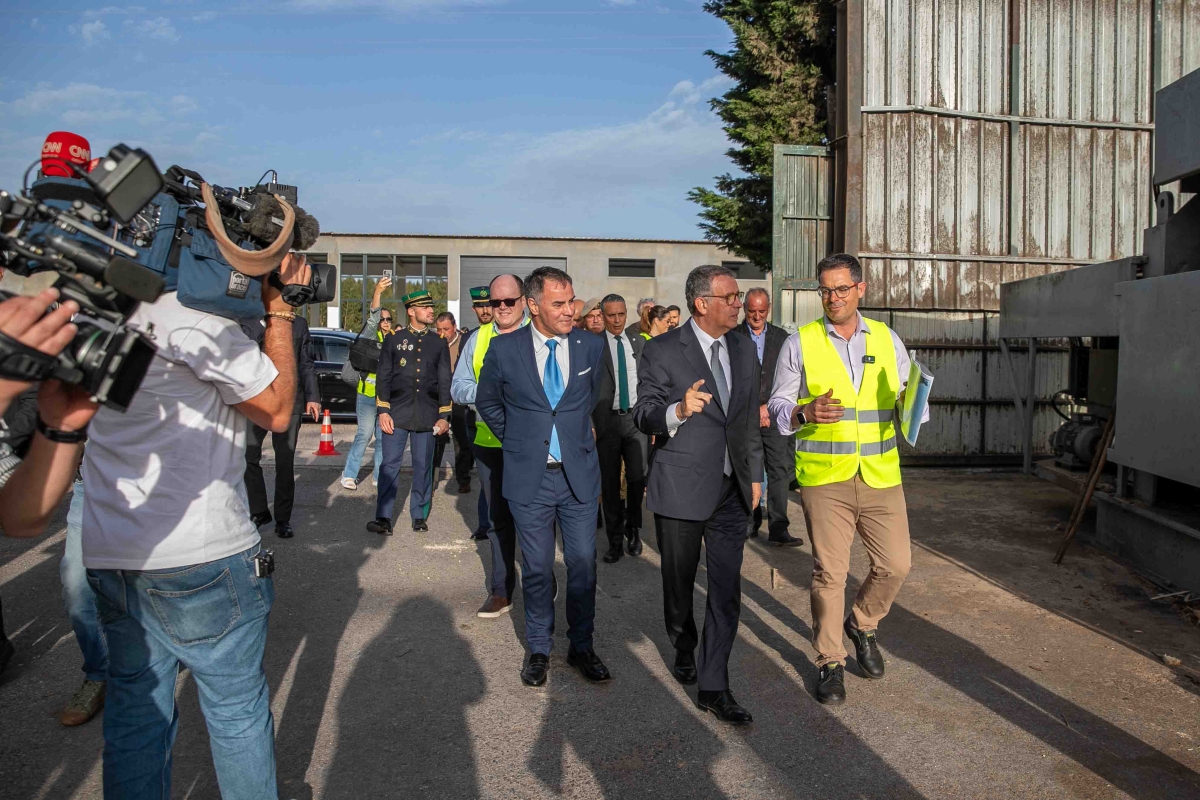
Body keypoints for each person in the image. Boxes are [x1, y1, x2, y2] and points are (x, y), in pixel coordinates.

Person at [80, 253, 312, 798]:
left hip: (113, 553)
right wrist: (280, 313)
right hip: (205, 554)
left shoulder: (97, 314)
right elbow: (277, 410)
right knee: (234, 713)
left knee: (137, 715)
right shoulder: (199, 324)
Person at [768, 252, 926, 706]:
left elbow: (909, 399)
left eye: (840, 289)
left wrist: (913, 406)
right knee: (829, 572)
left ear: (860, 289)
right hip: (825, 477)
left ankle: (862, 623)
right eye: (825, 290)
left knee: (896, 565)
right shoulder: (800, 342)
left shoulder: (886, 338)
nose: (832, 298)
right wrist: (804, 411)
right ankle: (830, 660)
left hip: (879, 473)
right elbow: (779, 407)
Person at [634, 264, 762, 726]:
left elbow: (745, 417)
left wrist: (756, 474)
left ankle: (713, 685)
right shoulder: (663, 349)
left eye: (739, 296)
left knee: (726, 589)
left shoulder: (744, 345)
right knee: (678, 585)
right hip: (681, 486)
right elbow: (643, 413)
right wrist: (677, 409)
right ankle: (683, 642)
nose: (739, 304)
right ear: (701, 303)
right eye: (730, 297)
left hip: (730, 489)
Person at [475, 267, 609, 687]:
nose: (571, 310)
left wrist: (579, 437)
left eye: (571, 301)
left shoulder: (590, 346)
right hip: (529, 477)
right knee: (535, 567)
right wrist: (518, 441)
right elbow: (488, 402)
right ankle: (538, 648)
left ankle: (582, 646)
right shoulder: (505, 348)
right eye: (559, 303)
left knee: (583, 564)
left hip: (579, 478)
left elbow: (596, 398)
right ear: (533, 306)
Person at [452, 276, 529, 617]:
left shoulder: (541, 336)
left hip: (533, 444)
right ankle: (501, 590)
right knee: (498, 518)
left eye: (508, 302)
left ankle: (540, 577)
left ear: (524, 301)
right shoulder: (478, 338)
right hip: (489, 443)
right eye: (495, 303)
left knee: (534, 517)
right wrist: (487, 395)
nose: (500, 308)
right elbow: (458, 387)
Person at [367, 290, 452, 535]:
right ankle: (383, 517)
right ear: (411, 311)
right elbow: (383, 376)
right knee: (389, 465)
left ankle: (419, 515)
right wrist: (383, 410)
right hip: (396, 413)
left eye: (431, 307)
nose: (430, 311)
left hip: (426, 414)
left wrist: (444, 415)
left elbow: (444, 379)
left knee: (423, 466)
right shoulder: (394, 339)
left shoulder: (438, 342)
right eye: (425, 308)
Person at [735, 288, 802, 547]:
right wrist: (754, 409)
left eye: (762, 311)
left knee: (779, 471)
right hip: (744, 416)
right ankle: (750, 522)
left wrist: (768, 407)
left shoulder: (782, 338)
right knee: (748, 469)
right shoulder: (733, 336)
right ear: (744, 308)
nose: (757, 316)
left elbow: (788, 378)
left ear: (769, 308)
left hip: (775, 415)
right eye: (752, 311)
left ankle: (778, 528)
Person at [243, 313, 321, 538]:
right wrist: (265, 322)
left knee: (284, 463)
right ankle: (258, 510)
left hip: (289, 402)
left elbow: (306, 363)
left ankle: (283, 519)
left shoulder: (299, 324)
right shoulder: (250, 319)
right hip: (257, 400)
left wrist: (312, 397)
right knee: (248, 457)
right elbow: (245, 350)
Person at [591, 294, 646, 564]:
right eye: (611, 315)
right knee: (610, 484)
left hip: (635, 422)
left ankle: (633, 530)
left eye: (621, 314)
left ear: (626, 314)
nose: (616, 320)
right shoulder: (593, 345)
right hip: (607, 422)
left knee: (637, 479)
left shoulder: (639, 342)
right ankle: (614, 540)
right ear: (602, 316)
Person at [341, 276, 394, 490]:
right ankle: (349, 474)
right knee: (364, 435)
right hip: (366, 396)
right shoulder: (370, 337)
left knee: (382, 438)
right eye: (383, 319)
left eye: (388, 319)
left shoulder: (395, 341)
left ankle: (379, 476)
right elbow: (372, 319)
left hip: (385, 399)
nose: (385, 322)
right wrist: (377, 293)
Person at [459, 286, 494, 540]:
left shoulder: (516, 334)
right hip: (476, 419)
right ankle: (486, 524)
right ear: (474, 309)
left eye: (488, 305)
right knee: (486, 478)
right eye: (480, 306)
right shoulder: (470, 338)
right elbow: (461, 381)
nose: (485, 310)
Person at [433, 311, 474, 493]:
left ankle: (463, 478)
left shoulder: (464, 342)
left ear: (454, 327)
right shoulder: (434, 344)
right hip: (440, 400)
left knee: (462, 443)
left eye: (446, 329)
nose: (442, 333)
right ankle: (431, 480)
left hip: (458, 402)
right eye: (439, 329)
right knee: (436, 442)